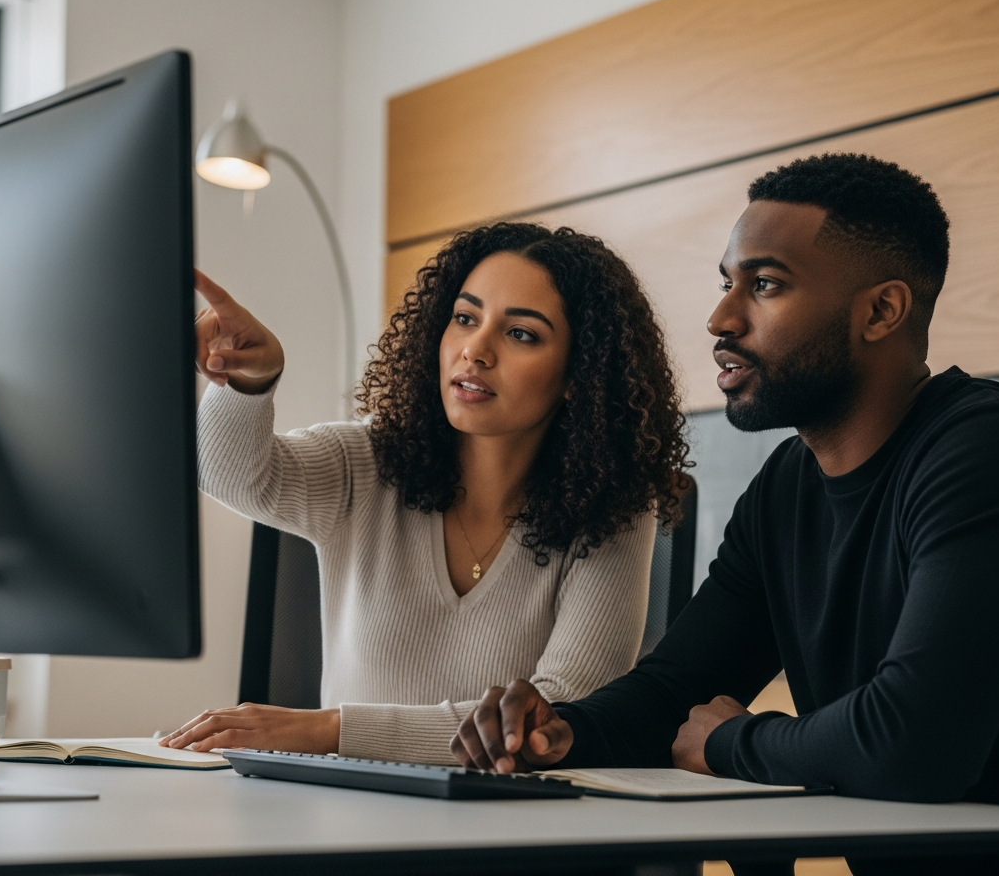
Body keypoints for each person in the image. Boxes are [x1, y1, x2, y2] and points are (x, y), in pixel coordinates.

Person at [450, 155, 999, 876]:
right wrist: (561, 731)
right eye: (727, 284)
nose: (721, 318)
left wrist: (731, 743)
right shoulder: (787, 484)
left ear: (881, 311)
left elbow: (914, 745)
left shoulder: (992, 455)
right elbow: (674, 690)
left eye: (766, 285)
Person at [160, 222, 691, 764]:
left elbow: (555, 715)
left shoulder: (613, 512)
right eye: (464, 318)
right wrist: (251, 380)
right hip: (349, 820)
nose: (475, 351)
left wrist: (327, 732)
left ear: (580, 372)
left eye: (521, 334)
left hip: (509, 835)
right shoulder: (368, 462)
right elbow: (229, 474)